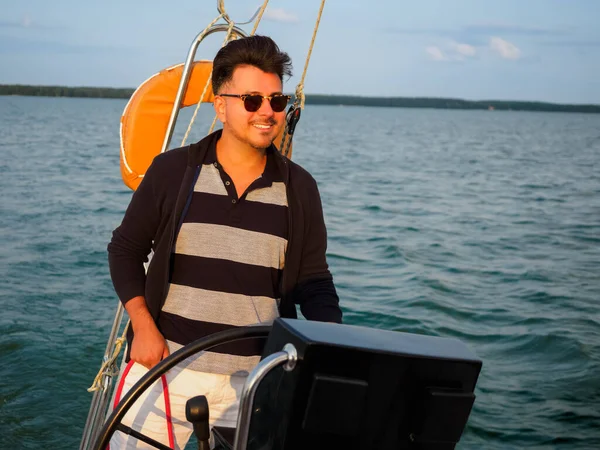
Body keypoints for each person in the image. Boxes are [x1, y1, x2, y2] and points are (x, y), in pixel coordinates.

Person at [106, 35, 342, 449]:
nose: (267, 112)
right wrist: (142, 326)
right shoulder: (173, 172)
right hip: (166, 369)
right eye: (252, 100)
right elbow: (124, 250)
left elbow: (314, 282)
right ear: (221, 105)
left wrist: (334, 350)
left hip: (254, 383)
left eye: (276, 101)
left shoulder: (300, 189)